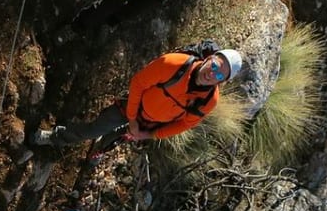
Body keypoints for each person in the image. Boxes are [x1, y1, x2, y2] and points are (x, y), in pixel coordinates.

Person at [32, 44, 243, 154]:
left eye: (219, 75)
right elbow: (138, 83)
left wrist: (148, 135)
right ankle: (55, 137)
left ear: (221, 82)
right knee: (94, 130)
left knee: (111, 141)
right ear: (209, 58)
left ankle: (98, 151)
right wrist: (132, 119)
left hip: (147, 125)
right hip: (131, 107)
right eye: (214, 65)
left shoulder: (208, 101)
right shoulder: (174, 64)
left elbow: (184, 125)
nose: (211, 73)